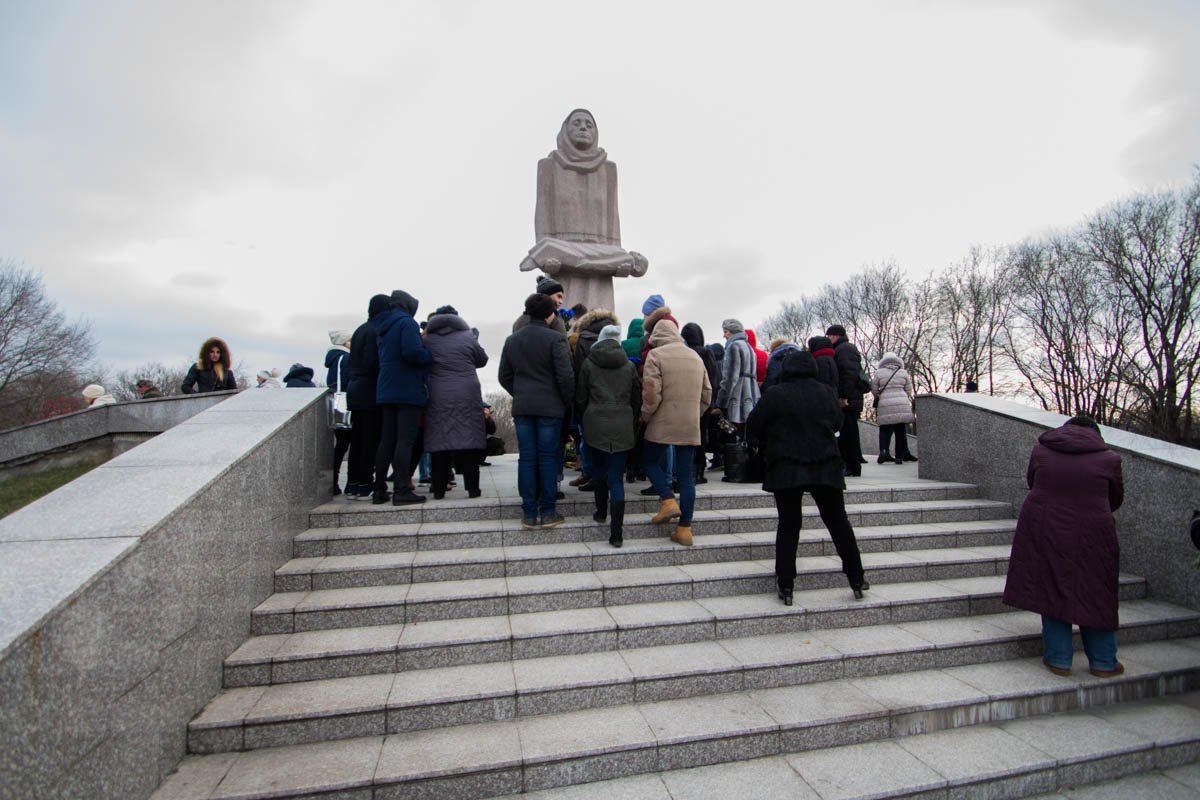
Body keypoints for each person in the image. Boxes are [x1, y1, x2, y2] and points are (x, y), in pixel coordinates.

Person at [1002, 416, 1125, 678]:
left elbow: (1033, 481)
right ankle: (1104, 662)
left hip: (1044, 526)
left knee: (1051, 584)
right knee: (1096, 590)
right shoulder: (1109, 459)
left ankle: (1058, 659)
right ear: (1096, 434)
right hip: (1093, 531)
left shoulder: (1041, 451)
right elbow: (1115, 498)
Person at [746, 350, 867, 605]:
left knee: (789, 525)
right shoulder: (826, 392)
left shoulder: (775, 394)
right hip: (825, 463)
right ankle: (856, 577)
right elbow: (837, 423)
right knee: (838, 522)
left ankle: (786, 582)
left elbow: (754, 426)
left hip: (786, 465)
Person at [499, 293, 575, 529]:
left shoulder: (513, 340)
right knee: (548, 457)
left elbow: (504, 376)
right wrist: (565, 402)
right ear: (550, 314)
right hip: (550, 408)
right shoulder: (556, 339)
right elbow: (565, 377)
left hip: (523, 407)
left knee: (527, 457)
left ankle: (529, 513)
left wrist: (520, 392)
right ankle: (549, 511)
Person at [640, 319, 711, 547]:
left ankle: (667, 499)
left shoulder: (656, 355)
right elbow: (707, 394)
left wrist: (646, 416)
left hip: (662, 420)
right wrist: (693, 413)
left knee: (649, 461)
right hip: (689, 423)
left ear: (656, 336)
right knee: (686, 477)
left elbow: (651, 393)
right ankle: (684, 529)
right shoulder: (695, 357)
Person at [576, 324, 640, 547]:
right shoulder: (629, 366)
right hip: (622, 424)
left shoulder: (588, 363)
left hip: (595, 423)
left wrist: (587, 416)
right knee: (616, 478)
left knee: (599, 471)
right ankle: (617, 534)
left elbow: (581, 397)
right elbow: (636, 399)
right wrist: (629, 419)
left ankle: (601, 512)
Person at [373, 289, 432, 506]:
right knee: (405, 441)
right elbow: (412, 353)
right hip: (406, 388)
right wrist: (429, 355)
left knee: (387, 440)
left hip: (386, 387)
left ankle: (379, 489)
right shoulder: (407, 323)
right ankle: (400, 489)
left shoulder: (383, 325)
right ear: (408, 306)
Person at [423, 305, 489, 500]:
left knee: (439, 442)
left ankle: (439, 489)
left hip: (438, 393)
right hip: (467, 392)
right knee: (468, 440)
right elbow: (482, 360)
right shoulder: (468, 336)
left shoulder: (428, 339)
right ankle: (473, 489)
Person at [567, 307, 620, 491]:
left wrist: (579, 402)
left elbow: (579, 371)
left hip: (590, 398)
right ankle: (606, 477)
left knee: (587, 439)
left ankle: (591, 474)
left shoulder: (581, 340)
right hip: (615, 399)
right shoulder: (616, 337)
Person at [344, 294, 389, 500]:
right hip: (370, 392)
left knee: (358, 439)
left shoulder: (360, 329)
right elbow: (373, 362)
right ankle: (364, 482)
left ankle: (353, 483)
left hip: (356, 391)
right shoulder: (375, 331)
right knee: (370, 440)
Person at [681, 322, 721, 484]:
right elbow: (714, 378)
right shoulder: (706, 352)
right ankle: (699, 469)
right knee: (701, 434)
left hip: (685, 399)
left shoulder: (684, 352)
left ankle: (688, 467)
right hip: (703, 399)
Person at [825, 324, 866, 476]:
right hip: (851, 397)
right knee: (848, 433)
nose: (828, 338)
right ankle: (850, 465)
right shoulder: (845, 348)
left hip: (848, 399)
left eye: (829, 335)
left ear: (835, 336)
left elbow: (848, 375)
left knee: (849, 433)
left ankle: (852, 466)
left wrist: (843, 397)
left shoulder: (844, 349)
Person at [871, 352, 917, 464]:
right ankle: (899, 456)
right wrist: (902, 395)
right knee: (900, 429)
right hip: (901, 402)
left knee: (884, 429)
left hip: (885, 402)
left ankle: (883, 452)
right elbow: (908, 389)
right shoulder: (903, 372)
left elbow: (874, 389)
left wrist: (879, 396)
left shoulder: (879, 372)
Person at [716, 319, 760, 429]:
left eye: (726, 331)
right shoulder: (749, 347)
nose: (724, 335)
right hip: (752, 395)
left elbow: (730, 377)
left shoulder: (733, 346)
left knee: (732, 433)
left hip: (738, 396)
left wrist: (721, 402)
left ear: (733, 331)